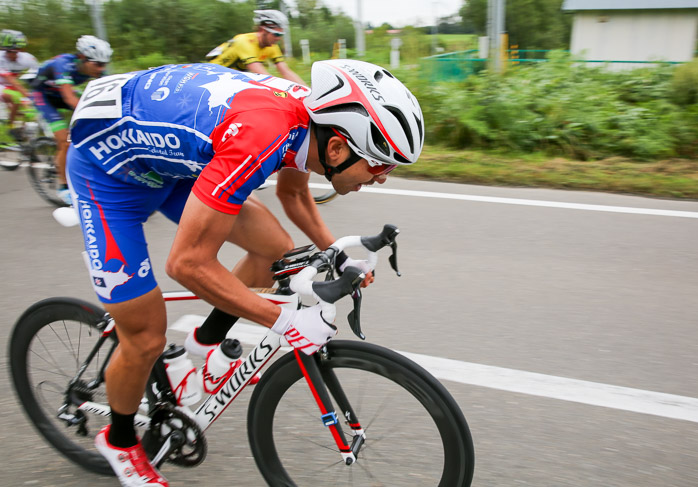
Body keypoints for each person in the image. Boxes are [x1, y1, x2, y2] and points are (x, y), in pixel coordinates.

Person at [66, 59, 423, 486]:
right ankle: (120, 441)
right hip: (108, 177)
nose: (383, 179)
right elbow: (186, 264)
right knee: (145, 336)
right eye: (380, 166)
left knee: (275, 250)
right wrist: (285, 320)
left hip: (170, 167)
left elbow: (294, 197)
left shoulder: (312, 122)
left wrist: (337, 254)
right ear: (337, 150)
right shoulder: (262, 137)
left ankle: (205, 348)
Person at [30, 35, 111, 204]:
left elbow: (109, 94)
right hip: (44, 96)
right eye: (97, 64)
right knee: (64, 140)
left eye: (104, 64)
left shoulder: (96, 68)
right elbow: (69, 98)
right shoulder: (62, 64)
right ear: (82, 58)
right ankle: (63, 186)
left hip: (59, 93)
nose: (101, 68)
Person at [206, 9, 306, 86]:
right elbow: (265, 78)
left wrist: (309, 92)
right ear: (263, 30)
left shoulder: (272, 46)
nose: (278, 38)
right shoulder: (244, 41)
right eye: (276, 34)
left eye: (281, 35)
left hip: (231, 79)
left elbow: (286, 72)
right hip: (211, 77)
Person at [0, 29, 38, 141]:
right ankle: (10, 128)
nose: (15, 55)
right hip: (3, 85)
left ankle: (23, 137)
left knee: (31, 111)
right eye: (11, 52)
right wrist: (26, 94)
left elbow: (39, 76)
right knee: (16, 97)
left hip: (9, 87)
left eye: (17, 51)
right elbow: (11, 80)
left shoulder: (28, 58)